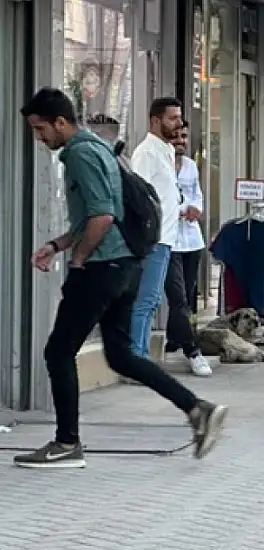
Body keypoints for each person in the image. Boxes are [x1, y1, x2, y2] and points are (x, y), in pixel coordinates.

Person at [17, 87, 226, 468]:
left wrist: (78, 259)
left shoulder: (79, 154)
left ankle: (67, 443)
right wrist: (58, 244)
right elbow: (97, 214)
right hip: (126, 264)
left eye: (40, 129)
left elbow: (101, 217)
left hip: (103, 266)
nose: (39, 137)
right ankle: (197, 408)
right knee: (121, 355)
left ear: (60, 122)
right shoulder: (98, 147)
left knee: (58, 351)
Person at [129, 97, 209, 372]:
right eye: (173, 118)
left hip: (170, 236)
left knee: (151, 303)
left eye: (179, 118)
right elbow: (139, 195)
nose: (179, 123)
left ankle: (138, 358)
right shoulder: (146, 153)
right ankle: (136, 360)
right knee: (147, 301)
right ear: (155, 120)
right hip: (154, 237)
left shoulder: (165, 151)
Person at [164, 121, 210, 375]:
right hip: (169, 240)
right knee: (178, 296)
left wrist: (197, 209)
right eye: (177, 137)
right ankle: (193, 350)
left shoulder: (191, 166)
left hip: (192, 239)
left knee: (188, 295)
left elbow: (197, 195)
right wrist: (184, 209)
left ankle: (175, 338)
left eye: (184, 136)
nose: (181, 141)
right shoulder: (160, 165)